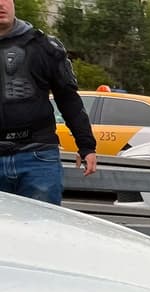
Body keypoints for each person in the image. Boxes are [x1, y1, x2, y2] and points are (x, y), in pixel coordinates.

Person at [0, 0, 97, 204]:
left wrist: (86, 146)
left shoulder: (43, 46)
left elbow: (68, 98)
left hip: (37, 157)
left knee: (43, 232)